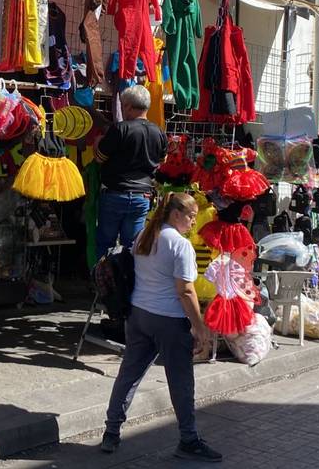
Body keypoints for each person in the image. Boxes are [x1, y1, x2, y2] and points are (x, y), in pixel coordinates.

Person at [100, 192, 222, 462]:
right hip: (168, 320)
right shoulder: (180, 245)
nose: (193, 222)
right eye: (191, 216)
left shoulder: (144, 234)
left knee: (129, 374)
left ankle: (111, 432)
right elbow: (186, 292)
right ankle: (189, 440)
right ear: (176, 214)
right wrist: (200, 327)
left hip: (138, 315)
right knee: (180, 380)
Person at [94, 85, 167, 261]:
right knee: (132, 246)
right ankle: (128, 284)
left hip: (115, 193)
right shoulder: (159, 132)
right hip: (142, 196)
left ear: (128, 106)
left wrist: (97, 142)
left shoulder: (120, 129)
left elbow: (99, 158)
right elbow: (162, 160)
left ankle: (103, 284)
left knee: (106, 243)